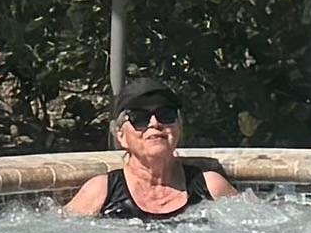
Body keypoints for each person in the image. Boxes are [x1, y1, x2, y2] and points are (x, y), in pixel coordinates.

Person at [64, 77, 237, 221]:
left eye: (166, 114)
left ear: (179, 128)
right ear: (121, 135)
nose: (155, 123)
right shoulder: (102, 192)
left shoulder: (211, 187)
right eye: (140, 118)